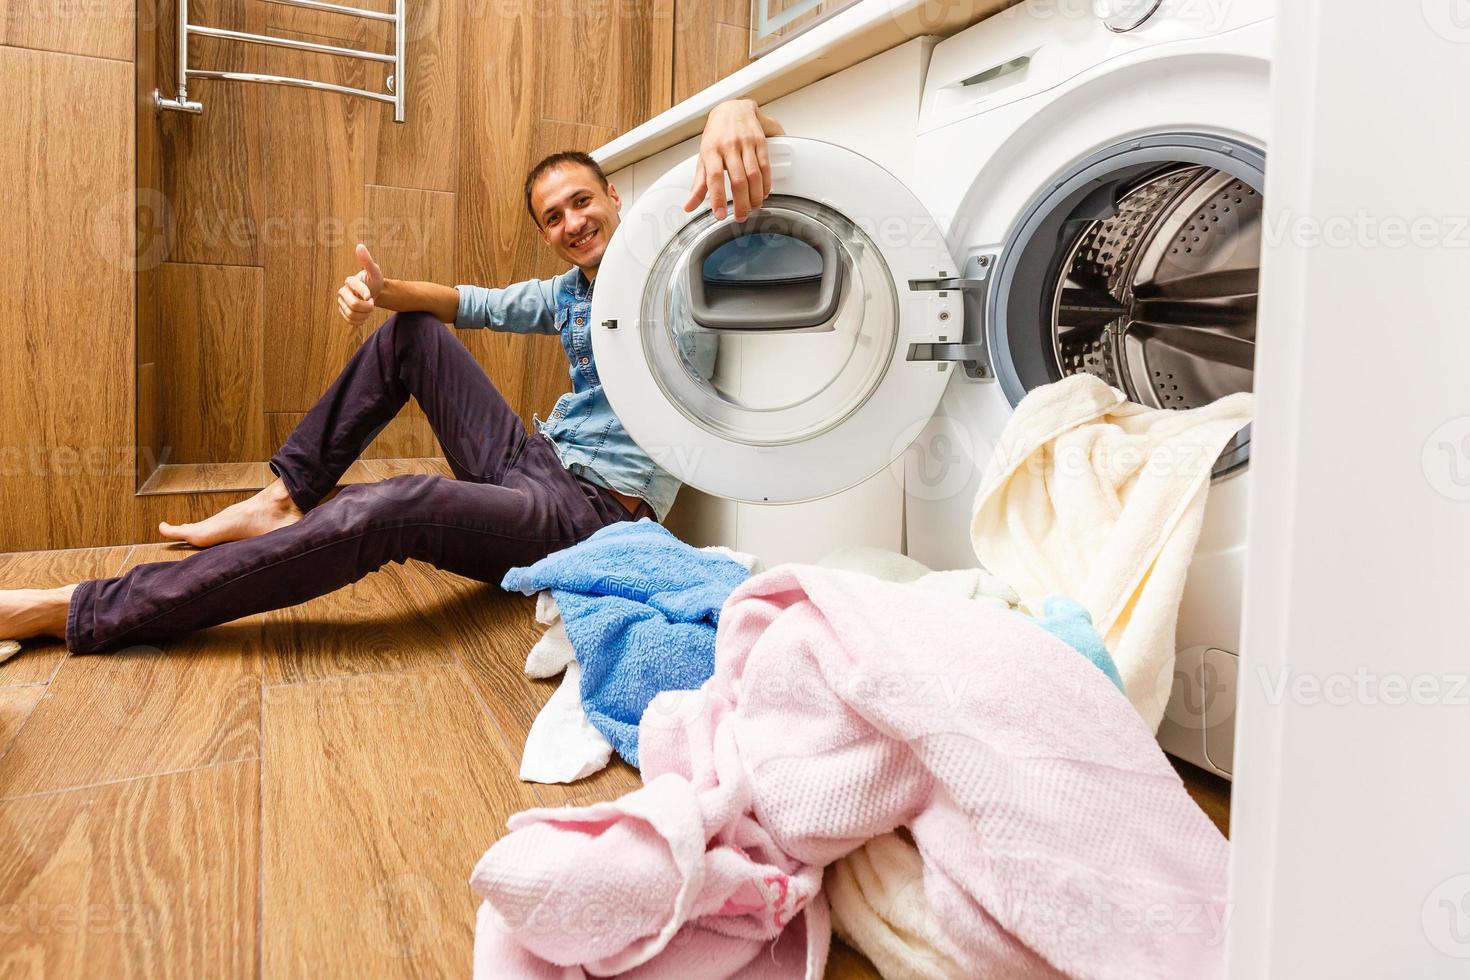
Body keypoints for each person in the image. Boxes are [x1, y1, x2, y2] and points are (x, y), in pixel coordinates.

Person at [0, 99, 786, 653]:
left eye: (583, 201)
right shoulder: (566, 294)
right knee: (413, 331)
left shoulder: (687, 268)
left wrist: (734, 110)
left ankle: (80, 610)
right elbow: (464, 303)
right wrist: (383, 292)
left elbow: (769, 166)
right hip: (534, 463)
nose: (573, 223)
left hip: (591, 515)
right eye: (553, 217)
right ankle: (283, 498)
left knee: (398, 503)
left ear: (616, 198)